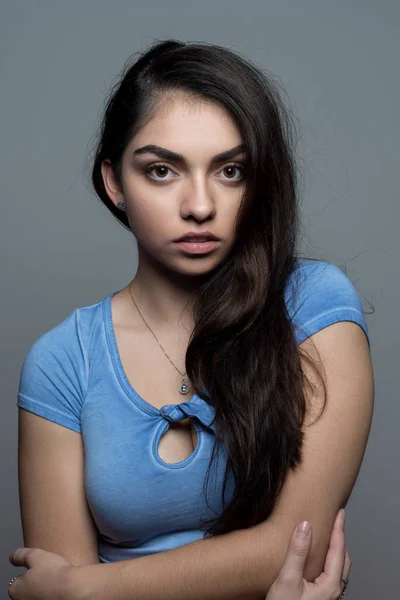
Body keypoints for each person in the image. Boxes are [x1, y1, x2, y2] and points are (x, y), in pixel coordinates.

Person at [9, 39, 374, 600]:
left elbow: (294, 547)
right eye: (161, 170)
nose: (199, 205)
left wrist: (90, 590)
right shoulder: (63, 361)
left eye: (230, 170)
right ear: (114, 183)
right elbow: (50, 590)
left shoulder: (312, 306)